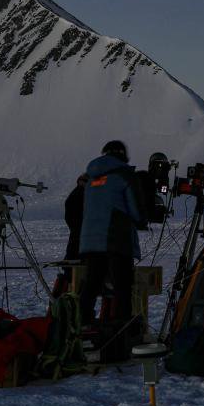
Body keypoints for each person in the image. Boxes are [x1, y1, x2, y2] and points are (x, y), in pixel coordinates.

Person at [78, 140, 146, 326]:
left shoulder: (91, 178)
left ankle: (82, 324)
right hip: (115, 238)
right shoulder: (124, 174)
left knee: (92, 284)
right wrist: (141, 220)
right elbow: (135, 208)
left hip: (90, 241)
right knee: (122, 286)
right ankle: (119, 327)